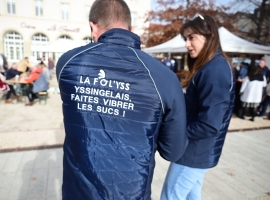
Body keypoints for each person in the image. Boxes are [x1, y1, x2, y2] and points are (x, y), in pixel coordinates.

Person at [56, 0, 188, 199]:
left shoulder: (68, 63)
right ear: (131, 28)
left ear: (93, 27)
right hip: (131, 193)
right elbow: (173, 151)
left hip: (79, 193)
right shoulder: (163, 77)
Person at [161, 14, 235, 200]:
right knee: (192, 197)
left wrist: (175, 134)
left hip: (193, 152)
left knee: (170, 196)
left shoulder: (215, 69)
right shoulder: (211, 66)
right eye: (185, 39)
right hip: (198, 152)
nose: (187, 44)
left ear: (209, 35)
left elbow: (209, 124)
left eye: (191, 37)